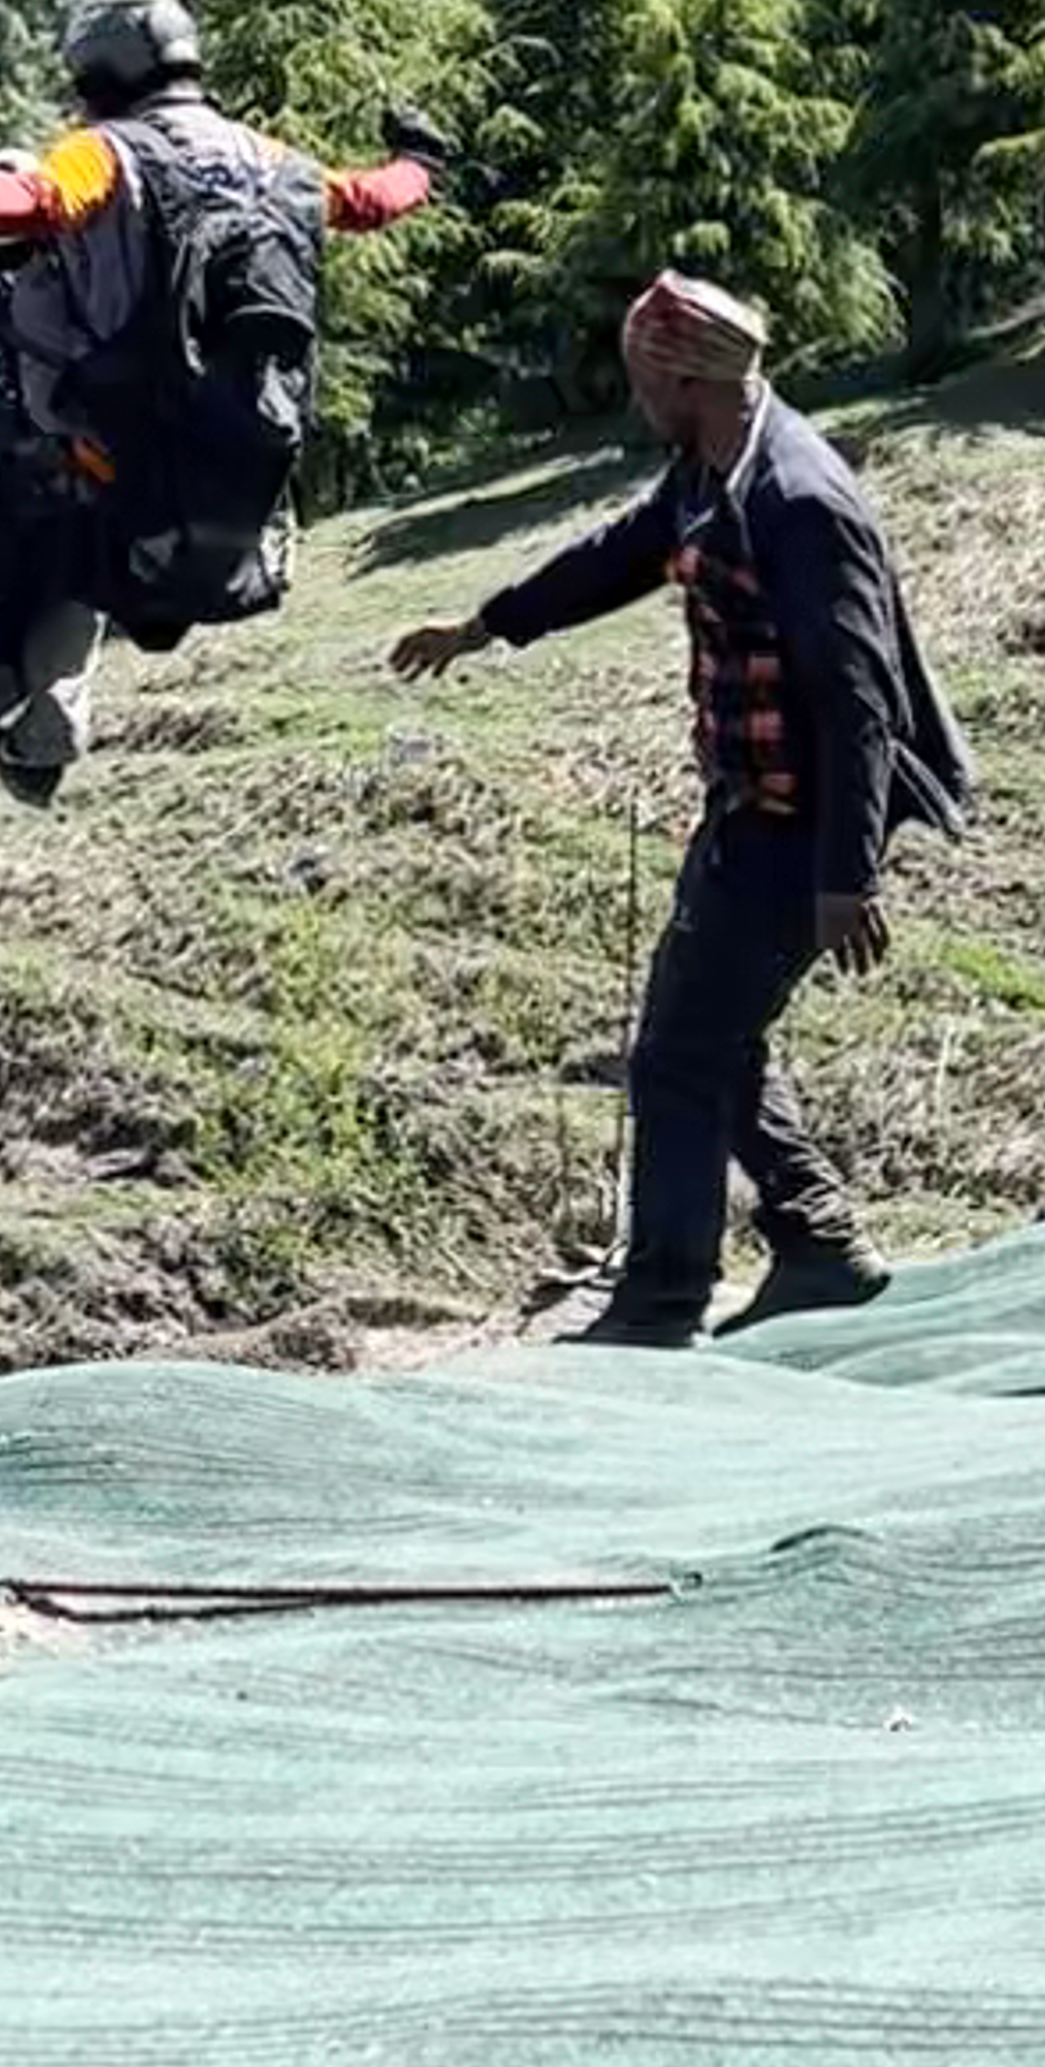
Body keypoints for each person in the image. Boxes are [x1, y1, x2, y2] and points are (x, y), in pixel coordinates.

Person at [384, 269, 974, 1345]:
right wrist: (483, 625)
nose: (632, 394)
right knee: (714, 1032)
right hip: (752, 800)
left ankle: (660, 1299)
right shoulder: (708, 467)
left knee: (677, 1055)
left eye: (639, 374)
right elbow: (621, 555)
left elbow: (859, 700)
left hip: (805, 816)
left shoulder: (797, 498)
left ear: (682, 373)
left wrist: (847, 876)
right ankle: (819, 1243)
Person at [0, 0, 435, 809]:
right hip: (224, 470)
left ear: (104, 76)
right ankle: (43, 743)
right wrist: (421, 160)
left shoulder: (100, 153)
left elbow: (35, 200)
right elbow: (369, 200)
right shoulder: (273, 160)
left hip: (101, 456)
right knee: (79, 573)